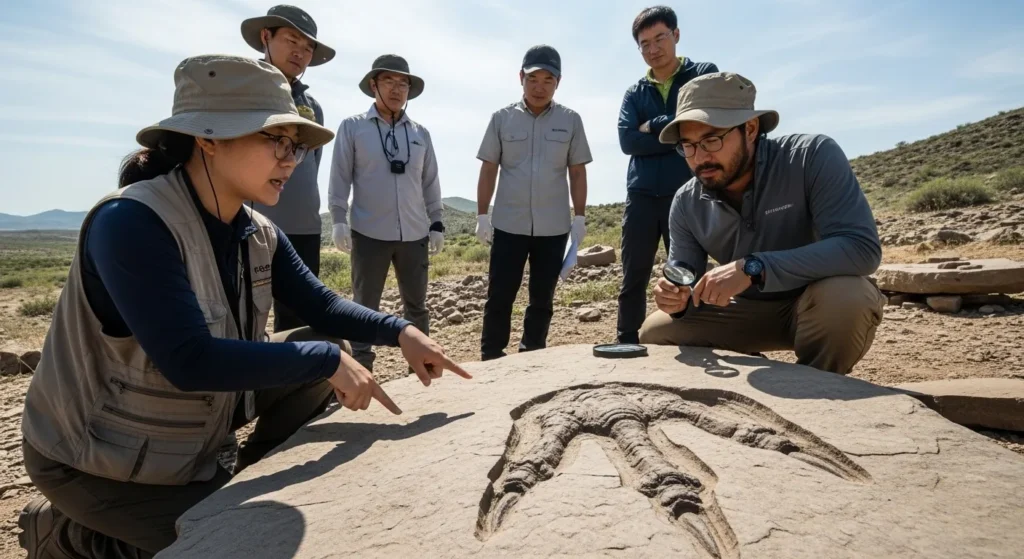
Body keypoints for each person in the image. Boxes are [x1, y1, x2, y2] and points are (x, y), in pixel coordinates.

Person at [17, 54, 469, 559]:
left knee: (321, 345)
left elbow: (320, 305)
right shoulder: (131, 222)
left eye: (295, 146)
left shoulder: (257, 231)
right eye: (275, 140)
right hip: (96, 456)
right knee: (233, 544)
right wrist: (326, 360)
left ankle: (237, 486)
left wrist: (402, 331)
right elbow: (189, 361)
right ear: (208, 139)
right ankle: (67, 536)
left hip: (181, 436)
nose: (290, 160)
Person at [640, 71, 887, 376]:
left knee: (848, 297)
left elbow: (861, 248)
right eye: (687, 145)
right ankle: (740, 386)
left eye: (711, 140)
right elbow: (685, 274)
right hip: (744, 312)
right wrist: (675, 296)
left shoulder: (810, 157)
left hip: (815, 304)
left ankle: (817, 387)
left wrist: (754, 267)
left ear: (750, 128)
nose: (699, 158)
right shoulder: (685, 201)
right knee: (656, 332)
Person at [475, 45, 592, 361]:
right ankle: (491, 356)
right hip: (508, 224)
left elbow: (577, 171)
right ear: (521, 78)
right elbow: (489, 168)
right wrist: (482, 215)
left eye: (548, 80)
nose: (539, 87)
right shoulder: (501, 119)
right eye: (533, 79)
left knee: (542, 298)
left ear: (558, 82)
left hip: (553, 227)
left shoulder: (571, 120)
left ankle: (533, 354)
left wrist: (580, 217)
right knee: (500, 295)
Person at [328, 55, 444, 372]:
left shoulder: (421, 133)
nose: (396, 89)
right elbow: (339, 177)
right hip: (368, 233)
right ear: (373, 85)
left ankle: (422, 368)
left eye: (403, 83)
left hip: (415, 233)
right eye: (388, 81)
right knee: (364, 306)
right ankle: (361, 370)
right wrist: (338, 219)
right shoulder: (352, 127)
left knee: (417, 306)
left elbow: (430, 182)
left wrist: (436, 222)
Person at [616, 6, 719, 344]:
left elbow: (703, 123)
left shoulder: (702, 74)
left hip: (689, 192)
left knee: (688, 271)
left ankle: (695, 334)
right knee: (634, 273)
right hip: (642, 195)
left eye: (659, 38)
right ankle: (627, 340)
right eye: (644, 44)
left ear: (676, 35)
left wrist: (654, 125)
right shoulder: (634, 92)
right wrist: (677, 132)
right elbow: (627, 141)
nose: (653, 48)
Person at [240, 5, 333, 332]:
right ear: (266, 36)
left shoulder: (312, 107)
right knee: (242, 316)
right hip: (247, 224)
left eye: (308, 48)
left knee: (300, 321)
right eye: (292, 41)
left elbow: (311, 165)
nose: (300, 53)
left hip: (303, 228)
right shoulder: (241, 91)